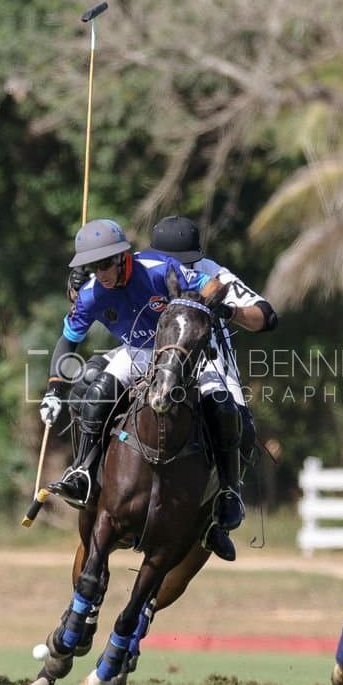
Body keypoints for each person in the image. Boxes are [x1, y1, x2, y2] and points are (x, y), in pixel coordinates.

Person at [40, 218, 241, 554]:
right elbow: (68, 340)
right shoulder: (91, 295)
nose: (101, 272)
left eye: (106, 263)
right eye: (94, 266)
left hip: (184, 352)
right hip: (136, 352)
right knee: (97, 393)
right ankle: (83, 472)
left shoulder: (159, 269)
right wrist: (53, 391)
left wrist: (200, 307)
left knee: (222, 404)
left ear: (122, 257)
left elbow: (212, 284)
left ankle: (229, 493)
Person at [148, 216, 279, 561]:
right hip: (148, 355)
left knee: (236, 419)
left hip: (209, 361)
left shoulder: (213, 274)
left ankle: (225, 500)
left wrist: (227, 310)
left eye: (187, 261)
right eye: (173, 261)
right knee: (100, 387)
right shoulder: (141, 268)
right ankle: (86, 475)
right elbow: (97, 290)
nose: (181, 268)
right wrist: (75, 286)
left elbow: (266, 316)